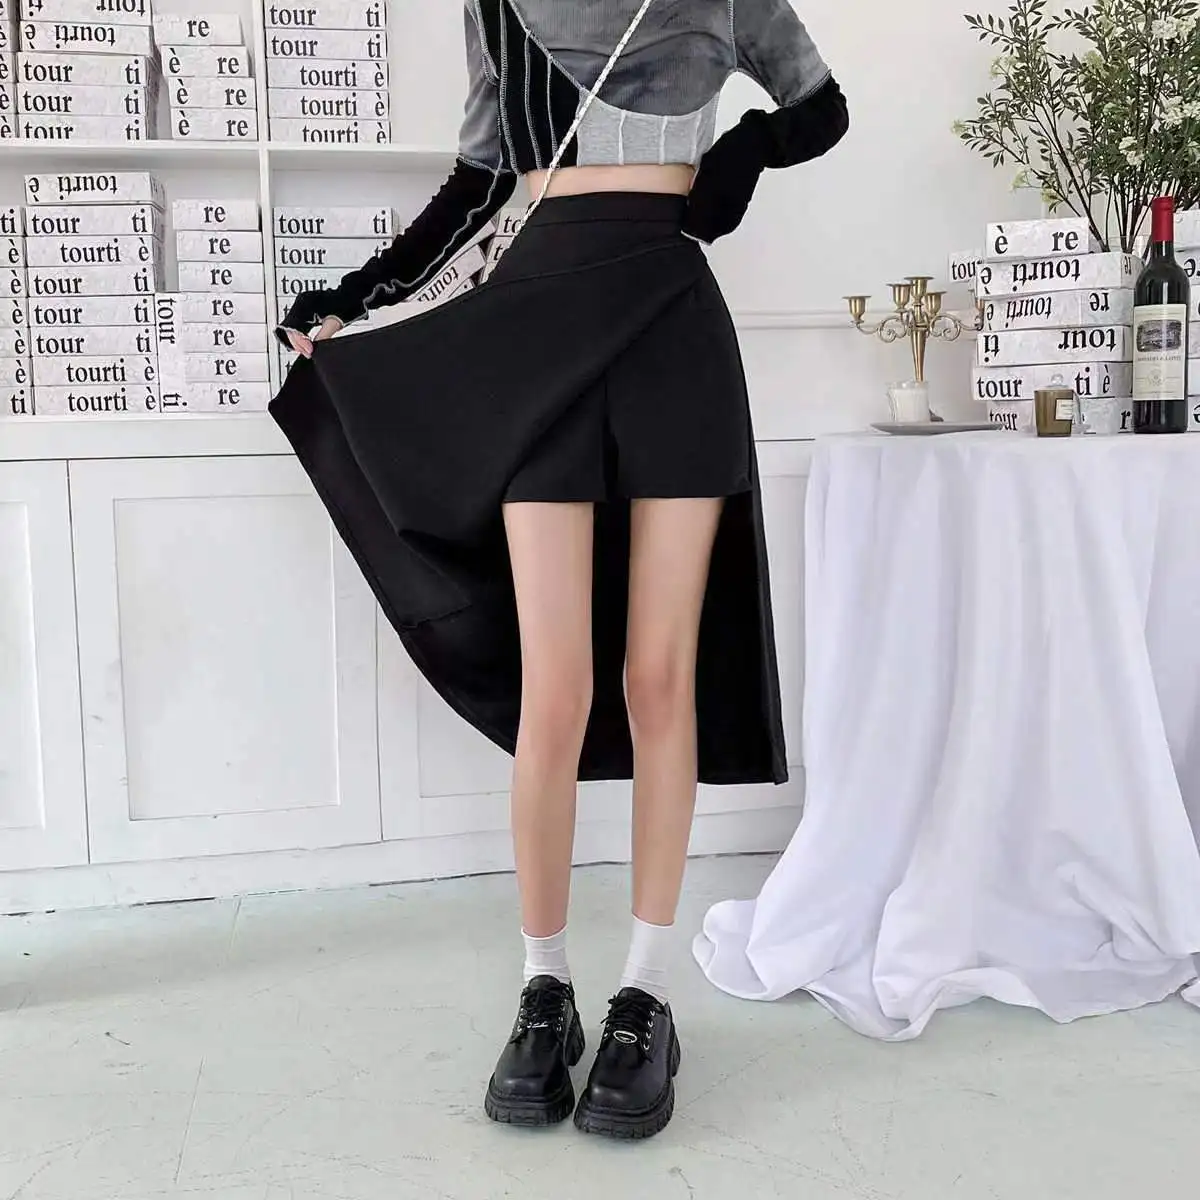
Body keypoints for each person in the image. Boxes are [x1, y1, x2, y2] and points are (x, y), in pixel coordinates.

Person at [272, 0, 848, 1141]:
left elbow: (822, 109)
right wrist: (359, 293)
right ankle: (545, 991)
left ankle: (645, 996)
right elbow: (479, 183)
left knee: (660, 677)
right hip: (533, 336)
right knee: (559, 685)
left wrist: (746, 148)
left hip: (671, 326)